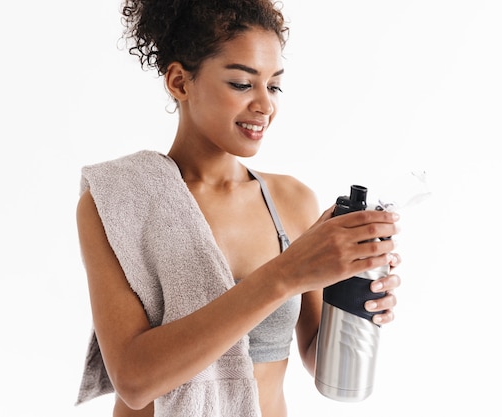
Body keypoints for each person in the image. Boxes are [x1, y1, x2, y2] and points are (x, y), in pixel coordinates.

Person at [75, 1, 402, 416]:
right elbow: (135, 381)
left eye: (274, 86)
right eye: (242, 84)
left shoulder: (292, 202)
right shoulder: (118, 200)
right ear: (179, 81)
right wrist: (286, 274)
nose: (265, 105)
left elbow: (320, 362)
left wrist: (356, 295)